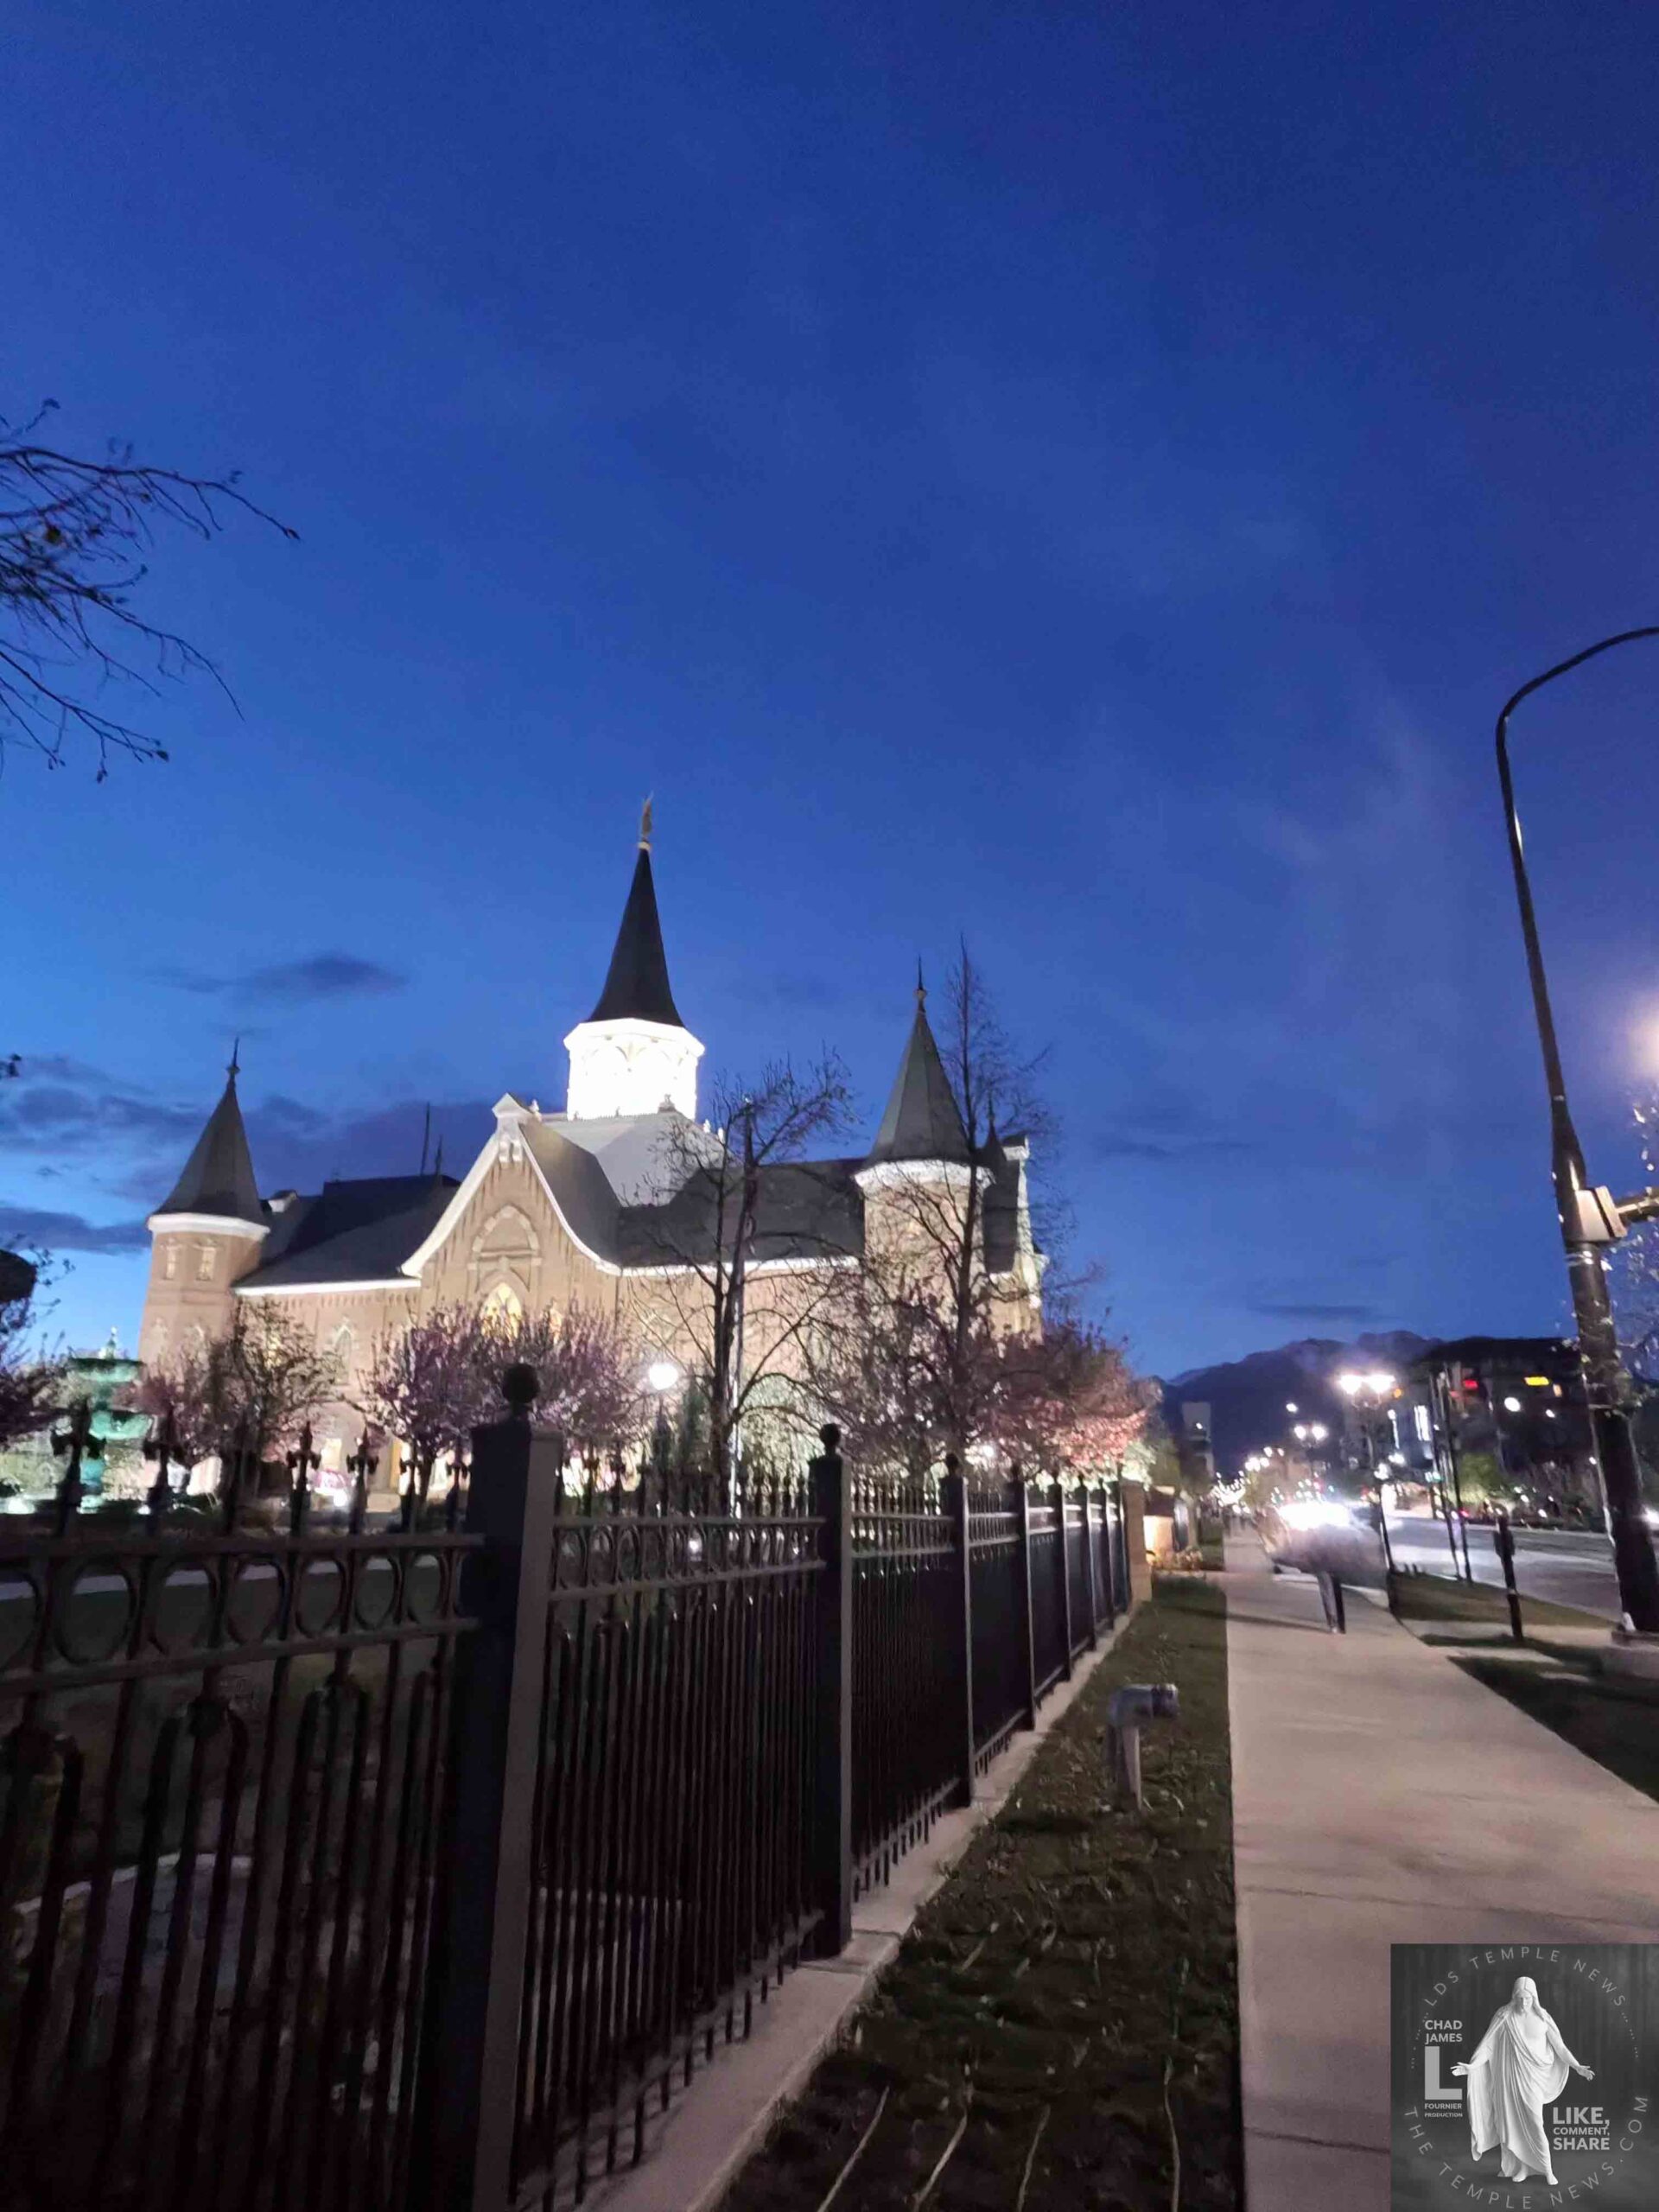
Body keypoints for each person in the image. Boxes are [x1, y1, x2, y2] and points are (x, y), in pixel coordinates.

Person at [1452, 1975, 1593, 2186]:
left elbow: (1560, 2047)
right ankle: (1522, 2168)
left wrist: (1577, 2066)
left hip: (1533, 2080)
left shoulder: (1543, 2018)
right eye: (1519, 1998)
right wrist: (1472, 2067)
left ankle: (1547, 2169)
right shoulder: (1504, 2017)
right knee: (1513, 2125)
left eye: (1528, 1998)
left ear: (1534, 1998)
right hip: (1509, 2080)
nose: (1523, 2003)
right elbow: (1488, 2047)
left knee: (1536, 2123)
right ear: (1514, 1997)